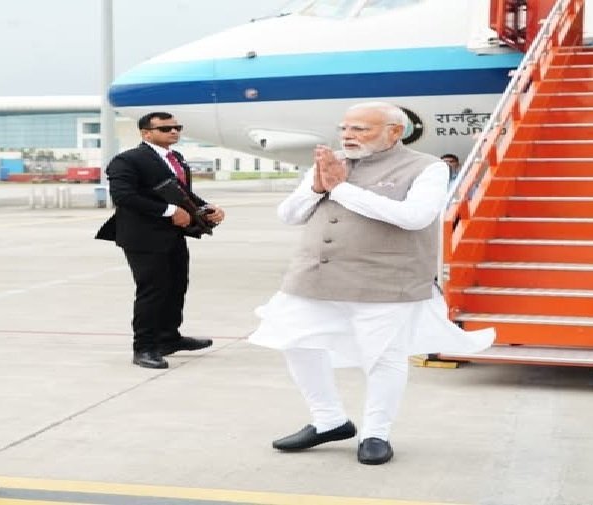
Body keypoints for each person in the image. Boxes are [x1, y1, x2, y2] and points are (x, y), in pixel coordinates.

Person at [248, 102, 494, 465]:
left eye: (360, 129)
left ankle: (376, 433)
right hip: (315, 275)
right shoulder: (330, 162)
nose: (348, 135)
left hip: (385, 280)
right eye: (344, 128)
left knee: (383, 357)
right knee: (295, 342)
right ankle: (329, 420)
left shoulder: (428, 167)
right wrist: (317, 186)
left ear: (395, 131)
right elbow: (289, 215)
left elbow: (414, 217)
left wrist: (341, 189)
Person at [96, 112, 225, 369]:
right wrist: (169, 211)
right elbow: (123, 196)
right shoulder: (127, 160)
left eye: (177, 127)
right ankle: (144, 348)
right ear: (146, 133)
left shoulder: (176, 158)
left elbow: (181, 193)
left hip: (174, 234)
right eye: (165, 129)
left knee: (176, 287)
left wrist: (206, 207)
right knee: (153, 291)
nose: (174, 132)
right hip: (143, 237)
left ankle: (169, 338)